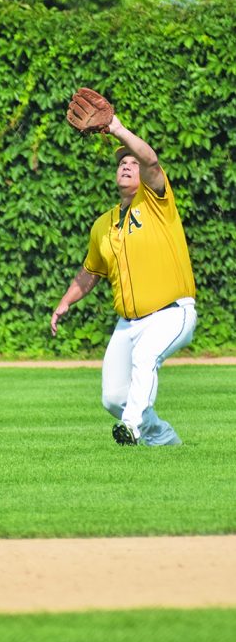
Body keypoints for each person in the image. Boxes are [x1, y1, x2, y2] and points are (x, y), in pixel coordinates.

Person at [50, 112, 197, 446]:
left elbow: (151, 160)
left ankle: (130, 428)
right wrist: (65, 301)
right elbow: (91, 271)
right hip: (128, 324)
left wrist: (116, 129)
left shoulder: (157, 200)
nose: (127, 166)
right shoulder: (103, 224)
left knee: (145, 358)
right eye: (121, 163)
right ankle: (163, 439)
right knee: (114, 397)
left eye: (132, 162)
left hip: (171, 312)